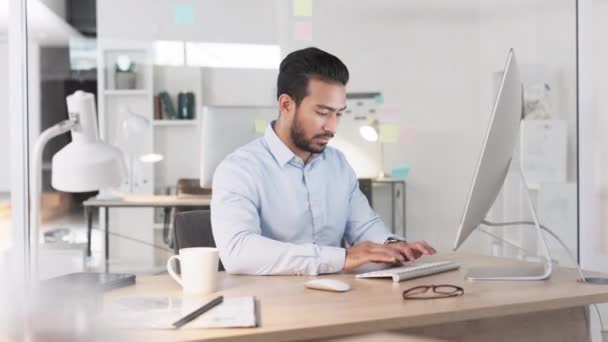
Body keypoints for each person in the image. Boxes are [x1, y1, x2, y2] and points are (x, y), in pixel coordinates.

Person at [211, 47, 436, 275]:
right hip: (274, 304)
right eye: (322, 112)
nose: (332, 127)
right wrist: (342, 257)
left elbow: (363, 225)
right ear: (286, 105)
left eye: (338, 114)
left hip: (337, 299)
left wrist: (391, 247)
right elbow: (238, 252)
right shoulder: (238, 170)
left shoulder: (337, 164)